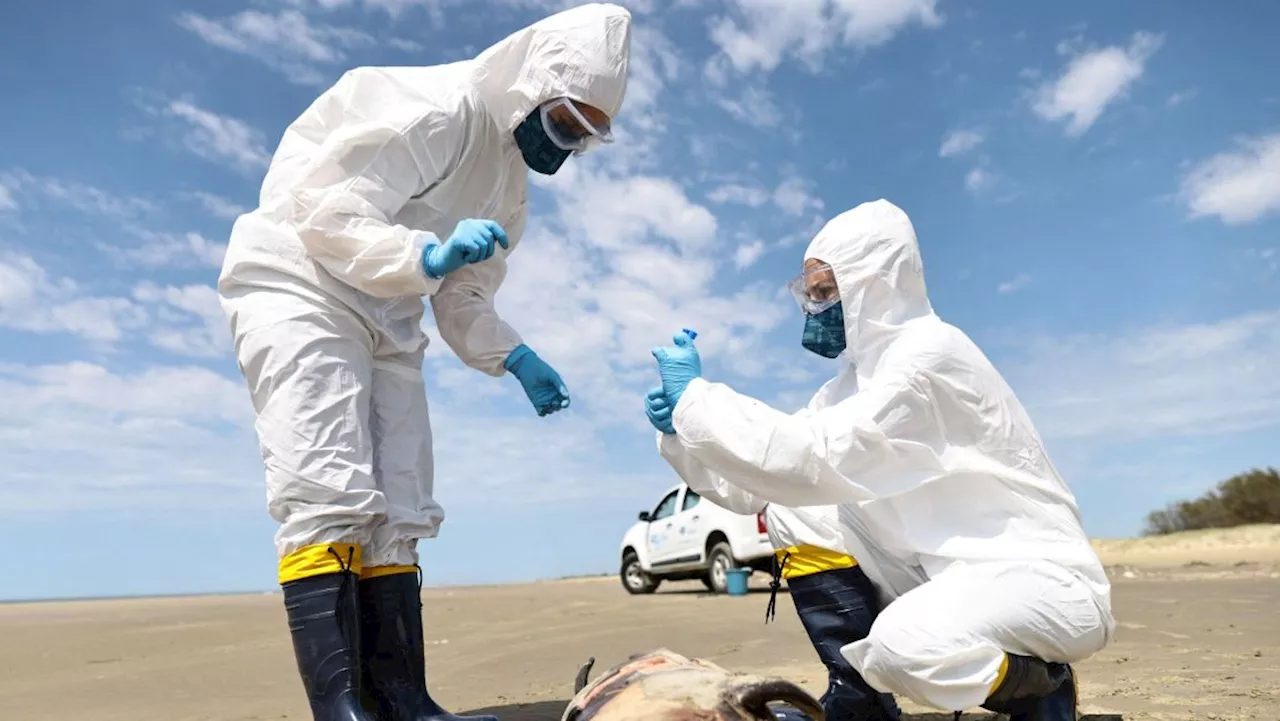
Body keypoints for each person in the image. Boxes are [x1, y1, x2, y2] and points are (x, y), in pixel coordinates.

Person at [217, 4, 632, 720]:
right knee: (326, 488)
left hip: (390, 315)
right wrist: (424, 255)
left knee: (400, 500)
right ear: (532, 86)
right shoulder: (437, 109)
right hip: (302, 284)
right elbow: (324, 207)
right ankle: (341, 706)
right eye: (566, 122)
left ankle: (403, 695)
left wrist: (514, 354)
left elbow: (466, 293)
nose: (568, 146)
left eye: (588, 136)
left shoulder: (509, 186)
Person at [642, 198, 1115, 720]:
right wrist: (681, 436)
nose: (813, 307)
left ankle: (1042, 685)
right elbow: (762, 486)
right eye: (809, 293)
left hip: (1038, 584)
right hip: (941, 577)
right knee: (793, 510)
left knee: (903, 647)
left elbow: (817, 456)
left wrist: (697, 399)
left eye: (825, 292)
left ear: (874, 285)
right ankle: (860, 700)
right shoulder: (847, 387)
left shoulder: (928, 355)